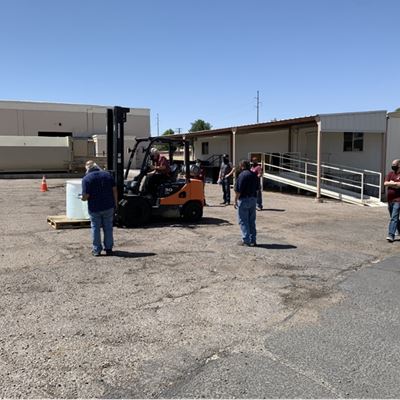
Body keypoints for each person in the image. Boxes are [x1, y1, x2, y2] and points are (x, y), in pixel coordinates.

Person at [81, 160, 118, 256]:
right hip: (108, 206)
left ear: (87, 169)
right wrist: (116, 204)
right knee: (108, 228)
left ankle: (97, 250)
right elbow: (114, 191)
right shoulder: (107, 175)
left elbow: (86, 196)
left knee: (95, 228)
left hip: (95, 207)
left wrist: (82, 198)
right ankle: (109, 248)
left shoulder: (86, 179)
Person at [234, 159, 260, 246]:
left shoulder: (241, 176)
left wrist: (235, 201)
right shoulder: (254, 175)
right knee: (251, 221)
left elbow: (238, 191)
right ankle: (253, 239)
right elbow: (257, 189)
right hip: (253, 199)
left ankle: (246, 240)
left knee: (243, 221)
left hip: (244, 199)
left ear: (242, 166)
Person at [384, 159, 400, 242]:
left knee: (394, 218)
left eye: (394, 164)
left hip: (398, 200)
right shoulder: (390, 173)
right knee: (394, 218)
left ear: (399, 165)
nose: (393, 165)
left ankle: (391, 235)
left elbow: (399, 185)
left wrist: (391, 183)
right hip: (389, 200)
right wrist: (395, 183)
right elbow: (385, 183)